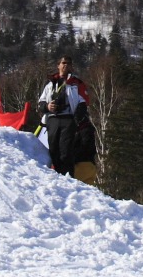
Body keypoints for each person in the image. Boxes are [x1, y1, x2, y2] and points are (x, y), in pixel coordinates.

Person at [36, 54, 97, 183]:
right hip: (52, 119)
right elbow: (40, 103)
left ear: (71, 67)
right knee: (54, 150)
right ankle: (56, 177)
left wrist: (78, 119)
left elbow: (83, 102)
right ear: (58, 65)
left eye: (68, 63)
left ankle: (67, 179)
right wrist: (47, 106)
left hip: (69, 118)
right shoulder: (50, 84)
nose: (66, 65)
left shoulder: (76, 83)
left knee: (66, 150)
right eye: (63, 63)